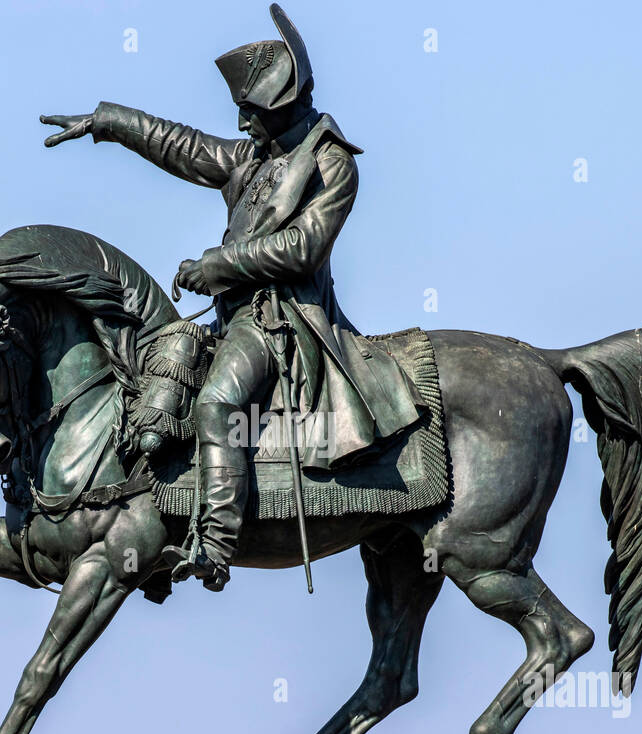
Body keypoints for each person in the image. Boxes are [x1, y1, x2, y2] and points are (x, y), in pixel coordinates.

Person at [41, 3, 421, 591]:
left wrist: (218, 265)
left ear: (279, 106)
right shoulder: (254, 158)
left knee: (216, 403)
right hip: (235, 315)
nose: (242, 127)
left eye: (250, 114)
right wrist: (108, 121)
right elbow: (184, 146)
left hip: (282, 321)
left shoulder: (330, 163)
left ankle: (215, 543)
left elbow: (303, 248)